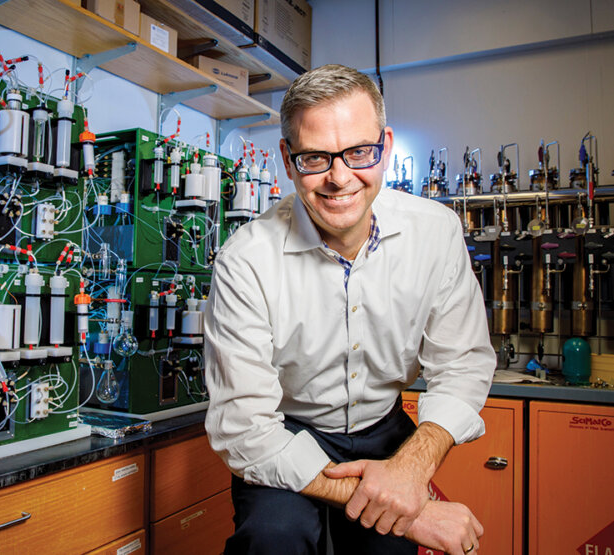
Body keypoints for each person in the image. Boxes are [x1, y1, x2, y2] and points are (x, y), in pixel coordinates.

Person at [204, 64, 495, 555]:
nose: (340, 178)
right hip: (286, 430)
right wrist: (417, 510)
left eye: (360, 152)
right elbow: (245, 428)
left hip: (387, 429)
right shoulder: (246, 261)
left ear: (385, 145)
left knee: (388, 547)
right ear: (288, 160)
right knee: (274, 539)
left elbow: (462, 364)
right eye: (316, 158)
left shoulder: (435, 232)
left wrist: (410, 470)